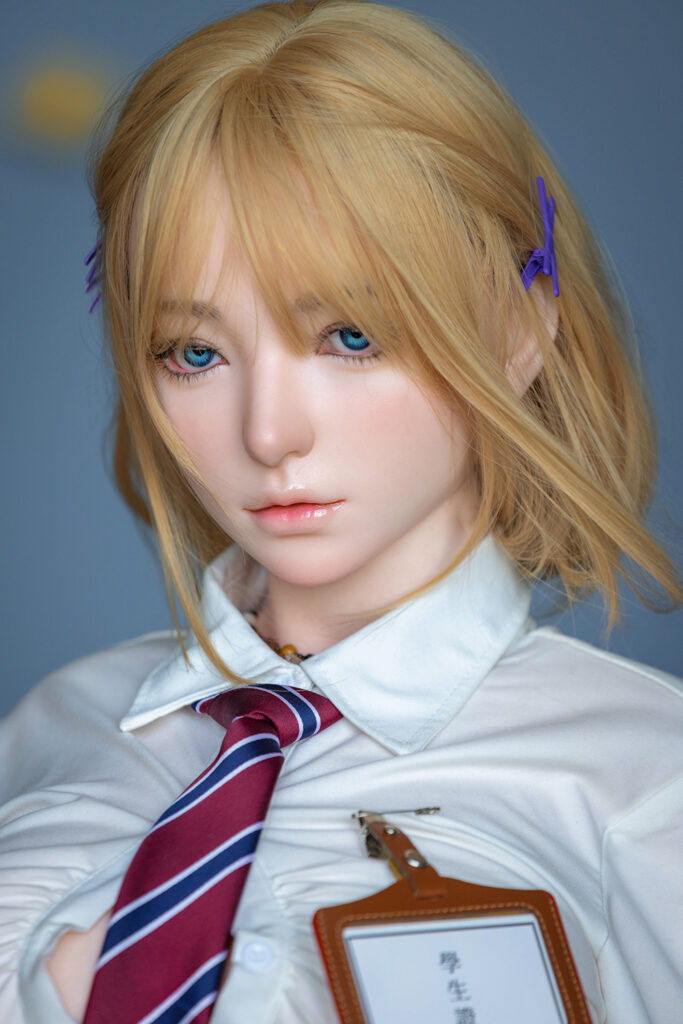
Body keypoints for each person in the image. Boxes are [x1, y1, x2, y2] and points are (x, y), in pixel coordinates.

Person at [0, 1, 681, 1021]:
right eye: (196, 353)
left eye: (350, 337)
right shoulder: (58, 725)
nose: (269, 432)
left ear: (516, 330)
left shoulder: (648, 783)